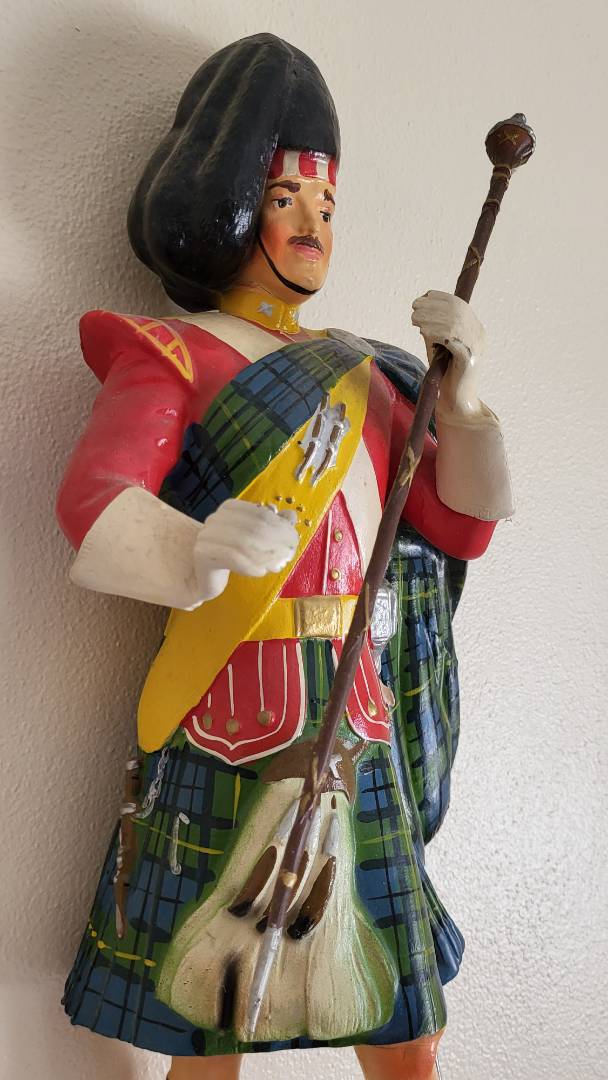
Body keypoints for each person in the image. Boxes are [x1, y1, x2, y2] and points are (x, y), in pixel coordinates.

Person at [57, 32, 513, 1080]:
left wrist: (462, 398)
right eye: (284, 198)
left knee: (402, 1018)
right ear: (225, 206)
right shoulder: (171, 353)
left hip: (359, 703)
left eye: (327, 204)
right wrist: (192, 544)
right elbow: (94, 502)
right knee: (210, 1010)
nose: (313, 224)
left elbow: (456, 526)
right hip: (234, 694)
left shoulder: (368, 371)